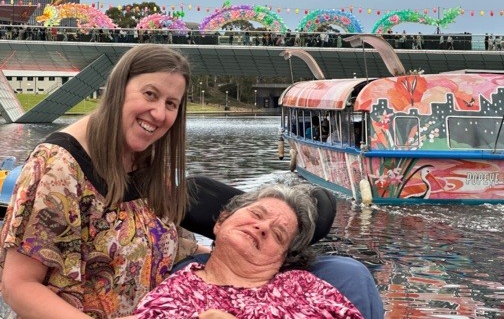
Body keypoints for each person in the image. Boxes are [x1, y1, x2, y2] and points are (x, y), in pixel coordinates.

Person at [0, 45, 203, 318]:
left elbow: (156, 243)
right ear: (119, 89)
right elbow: (19, 286)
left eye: (171, 104)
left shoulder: (145, 162)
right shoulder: (59, 166)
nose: (159, 113)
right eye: (150, 94)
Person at [131, 185, 364, 318]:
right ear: (221, 220)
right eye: (257, 214)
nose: (262, 228)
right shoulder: (174, 291)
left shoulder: (305, 287)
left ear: (282, 258)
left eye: (278, 235)